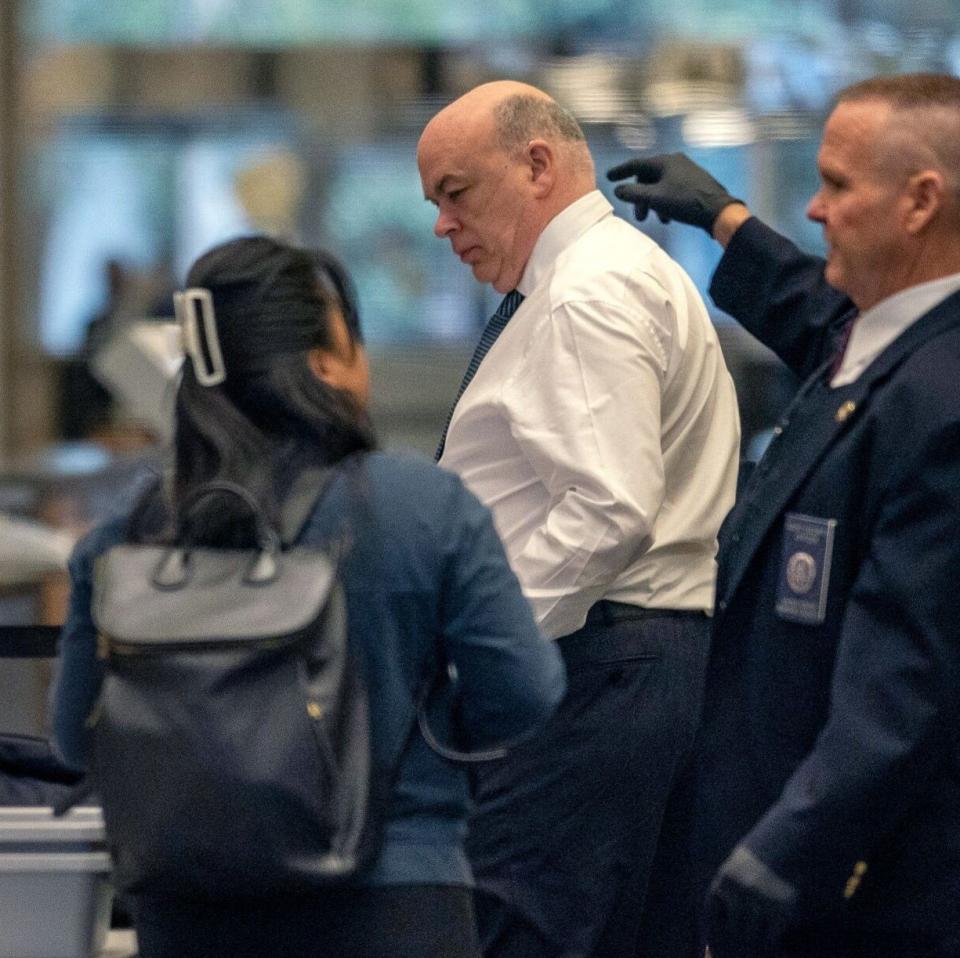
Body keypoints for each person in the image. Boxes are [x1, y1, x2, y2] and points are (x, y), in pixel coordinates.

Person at [50, 235, 566, 958]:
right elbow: (526, 693)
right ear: (327, 362)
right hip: (396, 901)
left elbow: (76, 739)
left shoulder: (123, 540)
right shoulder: (423, 507)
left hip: (187, 912)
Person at [608, 72, 960, 958]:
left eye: (838, 185)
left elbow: (904, 681)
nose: (813, 208)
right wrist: (722, 217)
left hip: (861, 886)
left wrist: (782, 854)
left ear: (921, 201)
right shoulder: (893, 339)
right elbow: (821, 315)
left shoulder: (943, 400)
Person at [417, 81, 740, 958]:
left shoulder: (584, 293)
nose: (443, 225)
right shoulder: (604, 276)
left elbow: (608, 507)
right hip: (632, 661)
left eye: (456, 192)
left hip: (591, 663)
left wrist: (488, 643)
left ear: (537, 164)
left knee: (527, 935)